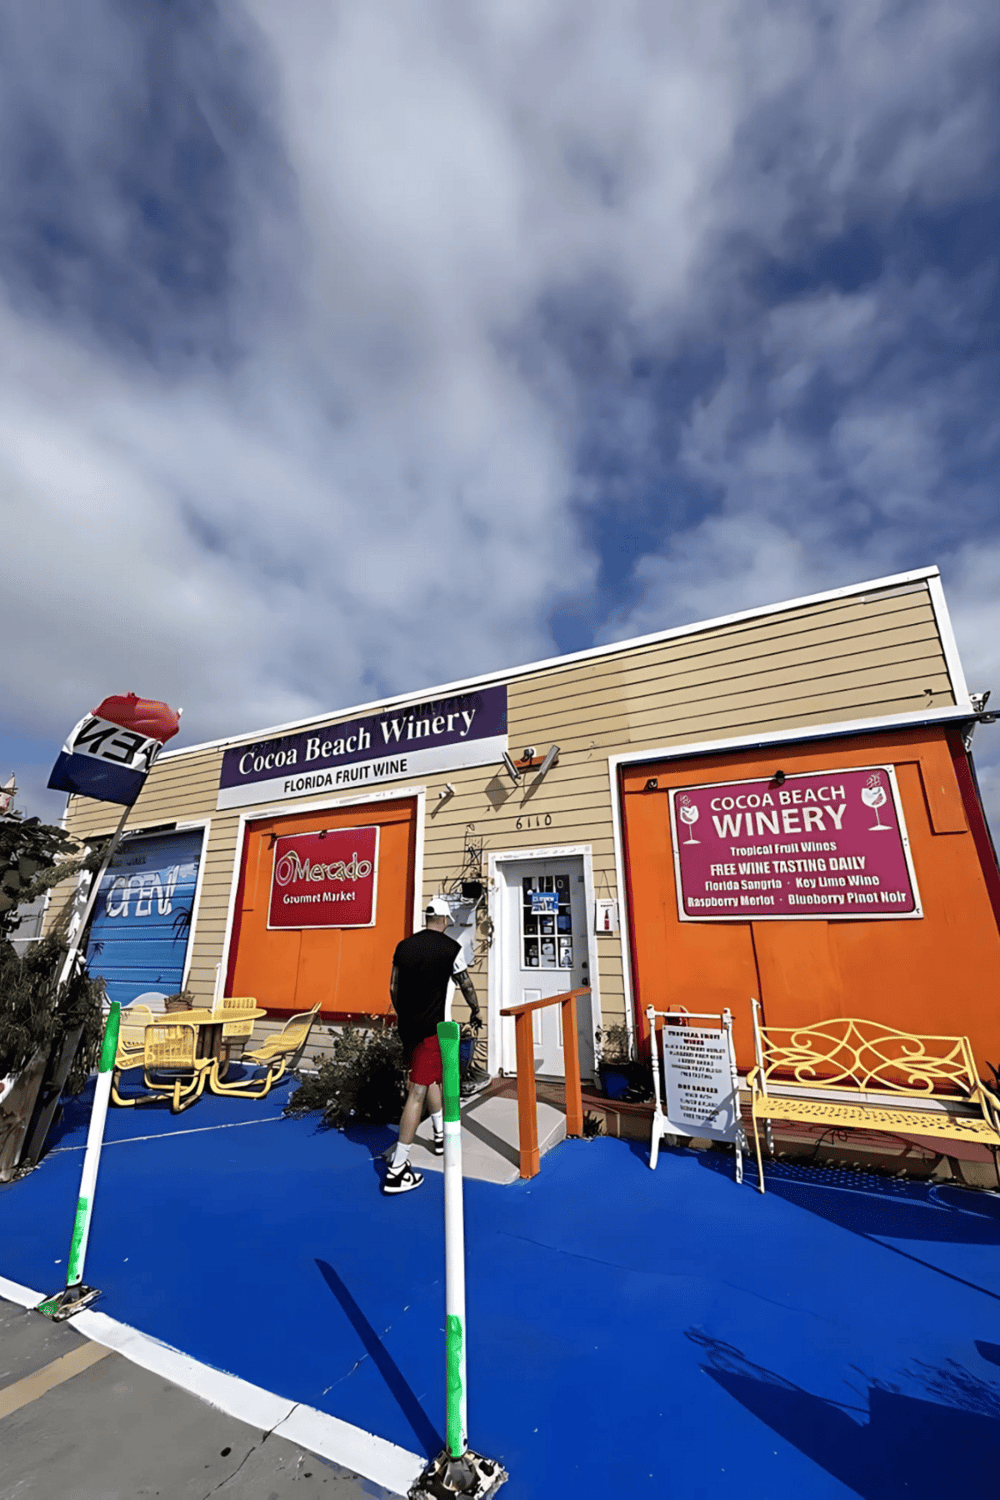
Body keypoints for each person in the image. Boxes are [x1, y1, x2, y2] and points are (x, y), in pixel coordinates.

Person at [384, 896, 481, 1195]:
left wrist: (403, 1016)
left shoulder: (404, 947)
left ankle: (439, 1134)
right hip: (432, 1031)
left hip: (409, 1028)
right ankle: (398, 1169)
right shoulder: (451, 949)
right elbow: (465, 984)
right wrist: (476, 1011)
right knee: (417, 1092)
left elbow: (393, 987)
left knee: (430, 1079)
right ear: (445, 921)